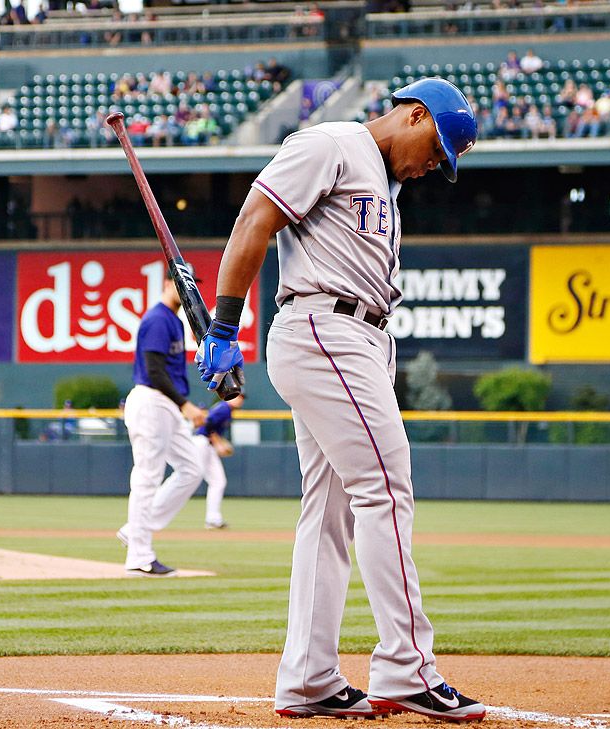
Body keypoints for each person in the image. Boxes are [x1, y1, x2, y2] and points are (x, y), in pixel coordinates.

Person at [194, 77, 484, 722]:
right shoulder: (333, 144)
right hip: (325, 328)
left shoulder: (387, 185)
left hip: (360, 337)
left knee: (330, 512)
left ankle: (309, 678)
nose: (435, 165)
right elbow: (255, 217)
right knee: (385, 489)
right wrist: (223, 323)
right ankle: (407, 668)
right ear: (413, 115)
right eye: (437, 149)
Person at [117, 274, 209, 577]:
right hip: (152, 401)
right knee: (147, 476)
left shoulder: (173, 320)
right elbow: (154, 371)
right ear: (167, 284)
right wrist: (185, 404)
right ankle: (139, 556)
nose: (187, 289)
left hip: (166, 405)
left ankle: (136, 530)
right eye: (182, 283)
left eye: (191, 285)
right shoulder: (157, 319)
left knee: (193, 468)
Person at [193, 394, 244, 529]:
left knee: (218, 481)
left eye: (241, 398)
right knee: (191, 477)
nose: (240, 400)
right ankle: (155, 509)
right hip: (202, 442)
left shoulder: (227, 411)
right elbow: (208, 424)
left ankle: (213, 519)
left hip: (207, 445)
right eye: (237, 397)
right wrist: (218, 444)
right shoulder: (224, 408)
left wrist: (219, 443)